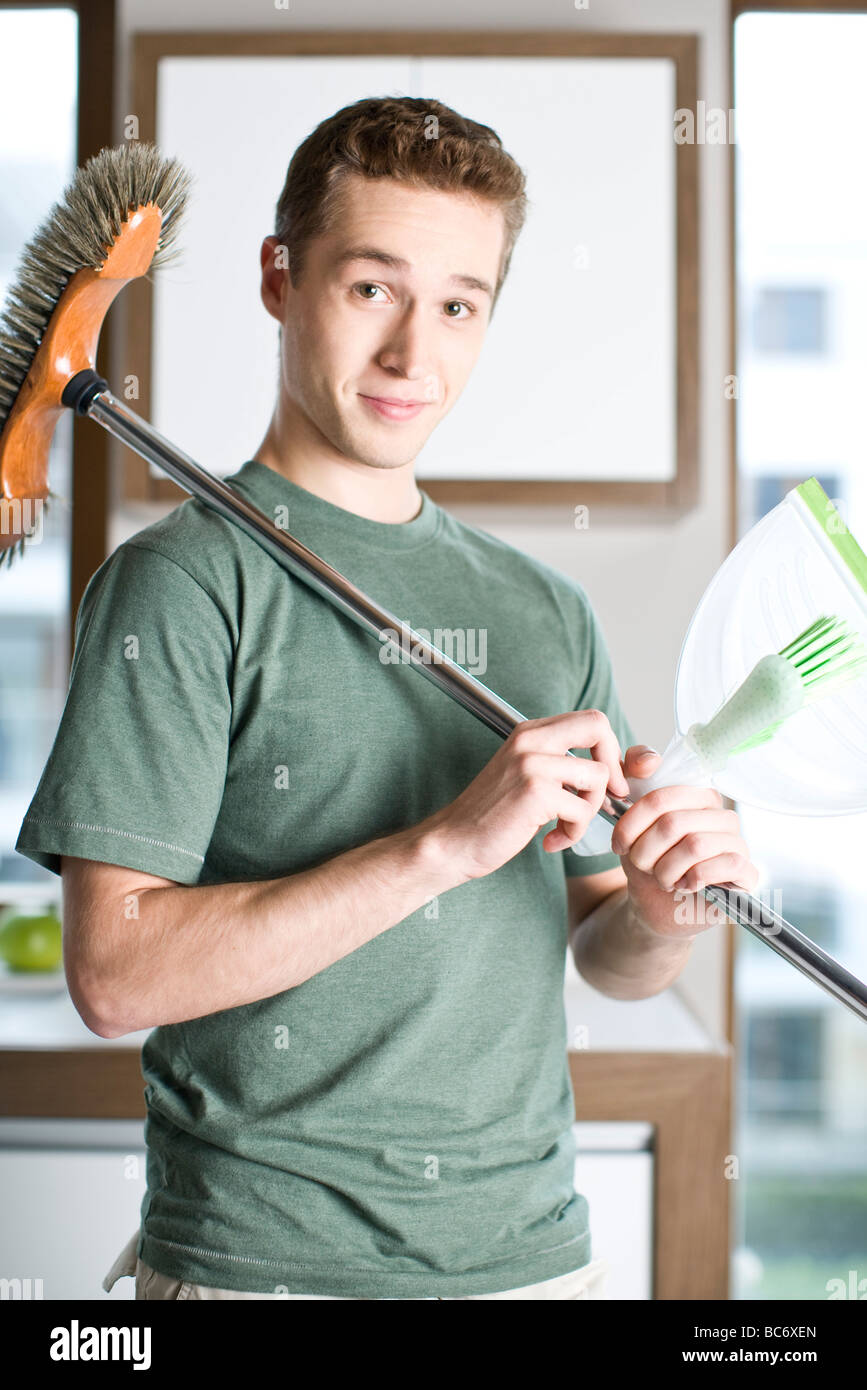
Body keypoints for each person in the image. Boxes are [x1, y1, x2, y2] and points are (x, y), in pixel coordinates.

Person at [16, 96, 759, 1301]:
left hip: (530, 1264)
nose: (416, 354)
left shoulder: (544, 609)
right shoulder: (180, 586)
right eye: (372, 289)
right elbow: (115, 975)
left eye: (459, 305)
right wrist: (444, 846)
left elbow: (607, 949)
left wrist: (668, 912)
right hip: (263, 1273)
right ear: (280, 277)